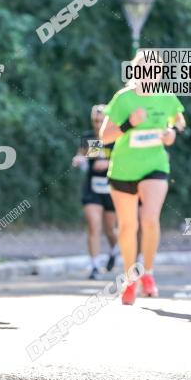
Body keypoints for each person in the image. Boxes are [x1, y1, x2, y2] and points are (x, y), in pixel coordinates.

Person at [100, 50, 186, 305]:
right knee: (128, 226)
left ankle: (148, 272)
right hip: (124, 169)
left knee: (149, 219)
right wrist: (128, 124)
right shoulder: (123, 99)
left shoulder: (167, 98)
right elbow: (104, 137)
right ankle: (130, 277)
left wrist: (172, 132)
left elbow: (179, 121)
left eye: (154, 70)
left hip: (155, 166)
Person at [72, 105, 118, 279]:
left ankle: (114, 250)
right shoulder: (89, 137)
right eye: (95, 121)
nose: (98, 125)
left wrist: (109, 164)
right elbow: (83, 156)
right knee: (93, 225)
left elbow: (125, 161)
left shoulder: (116, 138)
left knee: (110, 230)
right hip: (92, 187)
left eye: (101, 121)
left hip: (112, 188)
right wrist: (79, 160)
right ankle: (94, 266)